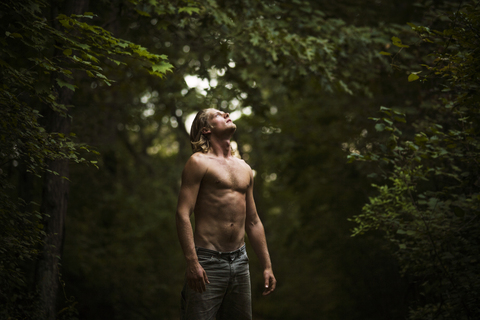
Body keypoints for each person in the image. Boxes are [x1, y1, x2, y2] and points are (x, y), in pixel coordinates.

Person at [176, 108, 276, 320]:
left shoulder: (244, 168)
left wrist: (267, 265)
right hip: (207, 262)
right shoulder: (198, 162)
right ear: (206, 129)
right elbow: (183, 213)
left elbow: (253, 221)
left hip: (240, 262)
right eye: (219, 115)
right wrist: (192, 262)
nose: (227, 114)